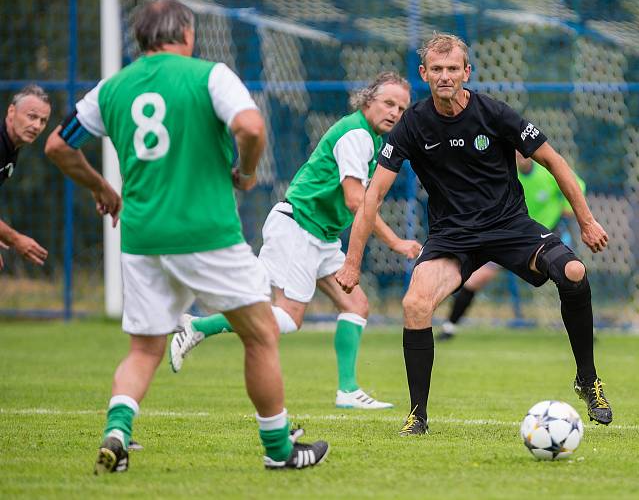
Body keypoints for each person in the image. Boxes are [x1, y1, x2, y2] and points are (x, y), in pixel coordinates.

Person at [44, 0, 328, 473]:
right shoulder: (209, 76)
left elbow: (57, 145)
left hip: (141, 237)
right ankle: (280, 450)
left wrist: (102, 188)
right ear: (188, 34)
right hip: (206, 232)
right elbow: (252, 126)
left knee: (143, 349)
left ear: (140, 39)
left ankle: (118, 432)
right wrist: (247, 170)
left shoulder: (112, 88)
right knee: (261, 335)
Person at [336, 32, 613, 435]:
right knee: (415, 303)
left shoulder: (494, 113)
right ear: (424, 74)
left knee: (573, 273)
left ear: (467, 72)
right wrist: (352, 261)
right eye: (436, 70)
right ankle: (417, 415)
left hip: (509, 226)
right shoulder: (412, 124)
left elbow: (554, 161)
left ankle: (588, 380)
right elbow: (372, 196)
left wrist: (587, 221)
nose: (445, 76)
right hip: (453, 236)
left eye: (452, 69)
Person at [170, 71, 421, 410]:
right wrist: (395, 242)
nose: (395, 112)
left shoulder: (373, 140)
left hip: (320, 235)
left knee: (356, 305)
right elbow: (354, 200)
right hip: (298, 229)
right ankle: (199, 325)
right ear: (368, 101)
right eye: (388, 103)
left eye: (402, 108)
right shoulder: (356, 136)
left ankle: (347, 391)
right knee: (287, 319)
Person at [438, 151, 586, 340]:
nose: (521, 155)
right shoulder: (506, 175)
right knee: (475, 280)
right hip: (514, 237)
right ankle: (450, 327)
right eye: (516, 151)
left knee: (571, 274)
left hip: (549, 236)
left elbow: (578, 184)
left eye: (524, 151)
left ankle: (585, 329)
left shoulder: (547, 171)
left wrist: (567, 207)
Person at [0, 85, 51, 270]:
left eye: (43, 121)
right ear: (11, 111)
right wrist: (15, 239)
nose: (37, 126)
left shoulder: (12, 147)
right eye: (32, 116)